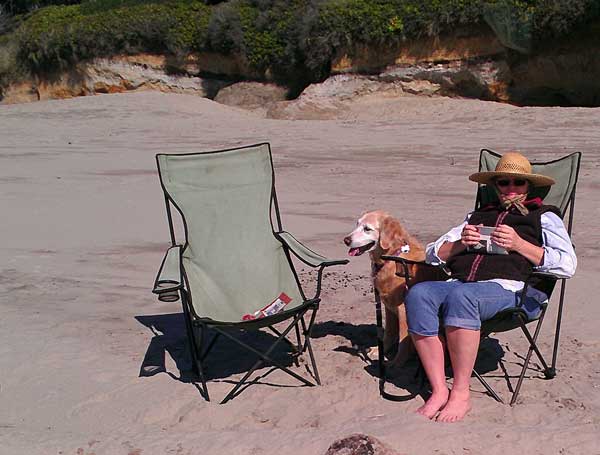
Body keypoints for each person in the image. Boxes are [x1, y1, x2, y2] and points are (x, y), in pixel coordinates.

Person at [404, 151, 577, 423]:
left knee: (463, 297)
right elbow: (432, 254)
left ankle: (460, 393)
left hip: (513, 291)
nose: (510, 188)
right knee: (419, 294)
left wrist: (520, 245)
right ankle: (439, 389)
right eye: (503, 182)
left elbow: (567, 265)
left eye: (517, 183)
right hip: (463, 283)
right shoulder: (477, 215)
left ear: (528, 186)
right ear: (495, 186)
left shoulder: (543, 217)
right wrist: (462, 242)